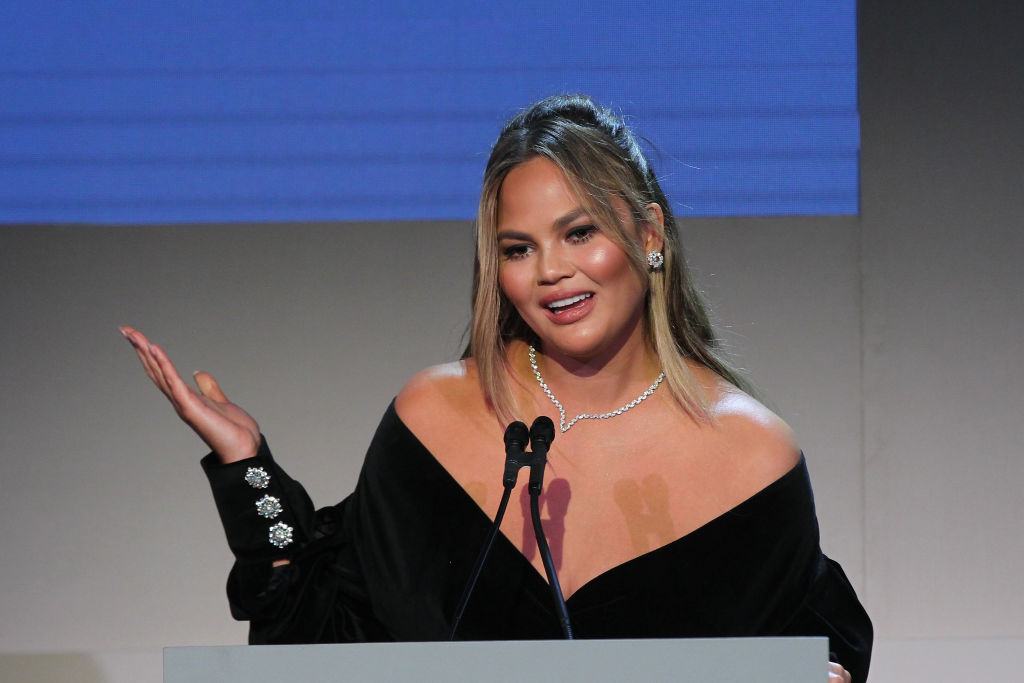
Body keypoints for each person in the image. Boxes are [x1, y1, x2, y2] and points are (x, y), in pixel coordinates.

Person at [122, 94, 871, 682]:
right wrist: (247, 468)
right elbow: (322, 644)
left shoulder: (751, 456)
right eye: (520, 247)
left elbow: (803, 655)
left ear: (648, 234)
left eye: (580, 233)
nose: (551, 270)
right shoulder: (433, 418)